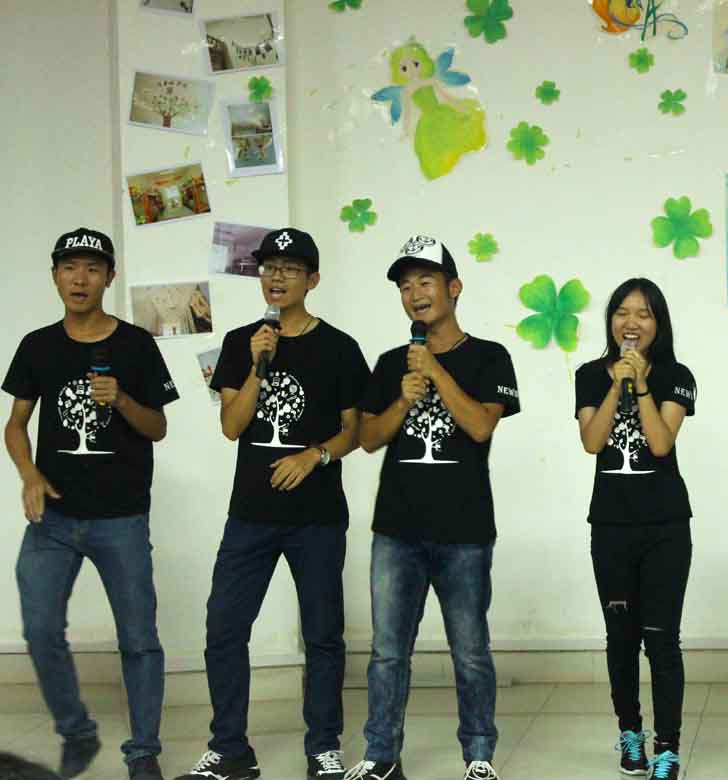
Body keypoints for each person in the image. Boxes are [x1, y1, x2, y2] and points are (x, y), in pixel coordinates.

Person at [175, 228, 370, 780]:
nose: (277, 277)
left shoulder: (339, 347)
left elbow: (354, 430)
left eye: (290, 268)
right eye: (269, 267)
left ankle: (323, 747)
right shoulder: (242, 342)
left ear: (313, 279)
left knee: (323, 635)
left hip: (317, 518)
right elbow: (232, 426)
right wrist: (258, 367)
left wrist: (314, 456)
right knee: (224, 629)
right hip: (250, 516)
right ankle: (230, 750)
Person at [3, 228, 178, 780]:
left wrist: (122, 399)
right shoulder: (37, 345)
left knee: (139, 640)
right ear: (55, 276)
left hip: (121, 518)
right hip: (52, 519)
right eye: (70, 268)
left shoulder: (136, 345)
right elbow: (16, 424)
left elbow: (158, 428)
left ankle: (143, 752)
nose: (80, 279)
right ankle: (77, 732)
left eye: (92, 269)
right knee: (39, 629)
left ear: (109, 278)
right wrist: (29, 474)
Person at [348, 235, 520, 780]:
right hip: (396, 531)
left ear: (454, 287)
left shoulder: (490, 356)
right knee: (387, 652)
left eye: (425, 281)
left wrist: (436, 372)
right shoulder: (389, 364)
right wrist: (404, 397)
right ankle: (381, 755)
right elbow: (369, 438)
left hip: (464, 531)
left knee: (469, 651)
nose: (414, 294)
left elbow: (480, 426)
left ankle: (479, 756)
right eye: (405, 286)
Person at [574, 278, 696, 780]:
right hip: (611, 527)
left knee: (662, 640)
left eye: (643, 314)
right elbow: (592, 440)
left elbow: (661, 443)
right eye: (622, 313)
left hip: (665, 527)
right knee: (620, 639)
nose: (631, 323)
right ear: (611, 322)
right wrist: (616, 384)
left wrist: (641, 385)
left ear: (658, 324)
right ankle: (631, 734)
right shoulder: (588, 375)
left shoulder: (677, 376)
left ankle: (667, 746)